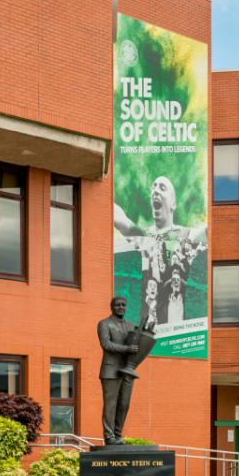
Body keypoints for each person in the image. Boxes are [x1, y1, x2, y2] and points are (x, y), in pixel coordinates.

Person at [113, 175, 206, 327]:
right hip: (147, 330)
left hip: (175, 328)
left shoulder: (186, 236)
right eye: (154, 187)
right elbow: (118, 217)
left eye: (162, 188)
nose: (155, 191)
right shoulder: (144, 237)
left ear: (173, 204)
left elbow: (209, 231)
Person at [98, 295, 155, 445]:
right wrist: (127, 348)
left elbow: (139, 340)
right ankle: (109, 437)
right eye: (117, 305)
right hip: (110, 371)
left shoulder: (130, 325)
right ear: (112, 307)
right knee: (110, 405)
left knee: (124, 404)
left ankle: (118, 435)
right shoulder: (104, 324)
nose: (121, 307)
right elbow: (106, 345)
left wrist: (147, 331)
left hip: (127, 371)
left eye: (123, 305)